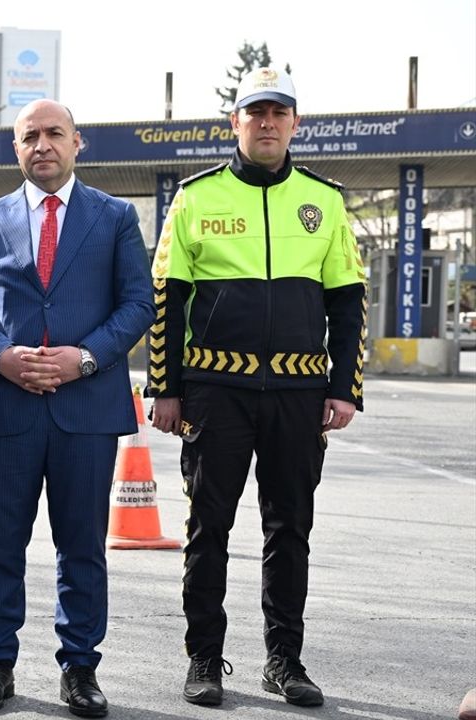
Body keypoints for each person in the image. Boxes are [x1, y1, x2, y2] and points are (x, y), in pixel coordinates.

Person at [146, 67, 366, 708]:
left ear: (295, 123)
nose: (267, 123)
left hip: (299, 393)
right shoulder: (195, 197)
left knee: (290, 528)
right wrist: (165, 386)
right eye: (255, 112)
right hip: (216, 390)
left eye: (279, 113)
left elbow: (349, 302)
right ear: (235, 122)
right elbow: (168, 299)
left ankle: (285, 661)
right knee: (207, 527)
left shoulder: (324, 200)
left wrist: (344, 387)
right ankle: (205, 661)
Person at [0, 99, 154, 719]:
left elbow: (137, 304)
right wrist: (1, 356)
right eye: (29, 136)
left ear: (77, 143)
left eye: (54, 134)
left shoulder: (115, 217)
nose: (42, 145)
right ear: (16, 148)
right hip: (5, 406)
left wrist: (85, 359)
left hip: (85, 407)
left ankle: (81, 669)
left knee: (82, 546)